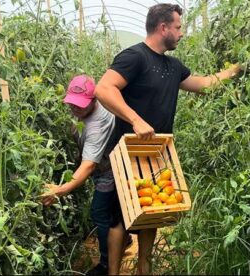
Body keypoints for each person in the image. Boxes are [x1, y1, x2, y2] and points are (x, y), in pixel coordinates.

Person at [94, 3, 242, 275]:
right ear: (163, 28)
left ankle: (144, 270)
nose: (181, 33)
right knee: (119, 217)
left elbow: (205, 85)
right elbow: (103, 88)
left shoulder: (174, 66)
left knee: (152, 213)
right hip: (128, 153)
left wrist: (236, 69)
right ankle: (113, 272)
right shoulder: (134, 57)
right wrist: (135, 119)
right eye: (178, 27)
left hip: (157, 152)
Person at [40, 74, 131, 276]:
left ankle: (107, 262)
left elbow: (89, 166)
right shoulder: (82, 112)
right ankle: (123, 239)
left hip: (109, 170)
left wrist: (60, 190)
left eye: (80, 105)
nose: (74, 109)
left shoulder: (98, 126)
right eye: (71, 104)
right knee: (108, 213)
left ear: (94, 100)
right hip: (101, 166)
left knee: (99, 213)